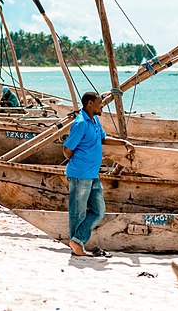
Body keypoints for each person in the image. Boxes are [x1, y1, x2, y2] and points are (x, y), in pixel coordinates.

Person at [62, 92, 135, 257]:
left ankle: (76, 240)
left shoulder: (94, 121)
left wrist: (124, 142)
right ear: (89, 103)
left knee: (98, 211)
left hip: (93, 175)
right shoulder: (80, 123)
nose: (102, 105)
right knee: (78, 212)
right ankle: (77, 245)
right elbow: (67, 150)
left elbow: (103, 139)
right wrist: (80, 162)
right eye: (99, 103)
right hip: (80, 175)